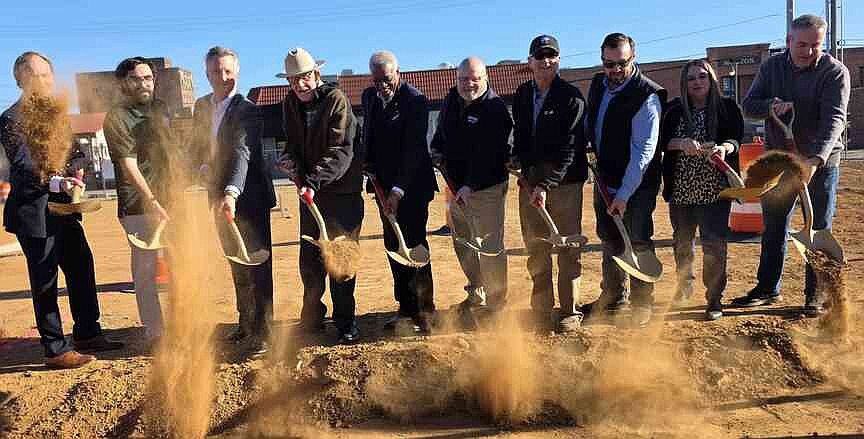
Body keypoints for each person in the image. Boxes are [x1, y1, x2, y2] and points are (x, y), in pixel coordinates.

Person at [1, 52, 123, 368]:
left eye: (46, 75)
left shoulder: (57, 115)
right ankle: (54, 349)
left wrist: (78, 171)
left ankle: (87, 332)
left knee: (82, 266)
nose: (42, 81)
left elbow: (76, 153)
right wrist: (56, 182)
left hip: (63, 210)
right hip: (33, 214)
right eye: (34, 76)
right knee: (45, 281)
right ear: (20, 80)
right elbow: (24, 164)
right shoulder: (11, 118)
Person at [732, 14, 850, 315]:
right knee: (774, 226)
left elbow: (834, 119)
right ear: (788, 41)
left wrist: (814, 160)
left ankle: (816, 294)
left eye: (816, 45)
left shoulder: (834, 72)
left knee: (818, 227)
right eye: (802, 44)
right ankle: (767, 288)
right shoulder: (772, 67)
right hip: (780, 162)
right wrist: (771, 105)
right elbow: (749, 105)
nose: (808, 51)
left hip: (820, 162)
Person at [273, 47, 363, 344]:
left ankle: (346, 323)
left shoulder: (336, 100)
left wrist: (313, 180)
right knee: (310, 263)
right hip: (310, 195)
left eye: (305, 77)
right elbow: (294, 144)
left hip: (341, 194)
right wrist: (290, 160)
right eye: (293, 79)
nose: (300, 84)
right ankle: (311, 319)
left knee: (340, 262)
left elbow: (341, 150)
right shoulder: (290, 104)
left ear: (316, 74)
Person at [190, 47, 276, 351]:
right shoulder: (201, 106)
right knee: (235, 262)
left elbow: (242, 152)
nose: (221, 77)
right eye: (215, 71)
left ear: (237, 72)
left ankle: (263, 332)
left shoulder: (247, 109)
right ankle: (245, 323)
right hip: (217, 198)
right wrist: (201, 167)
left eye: (227, 71)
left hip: (248, 199)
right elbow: (199, 145)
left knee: (258, 266)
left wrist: (231, 192)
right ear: (207, 73)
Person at [583, 33, 666, 328]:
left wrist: (624, 194)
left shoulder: (647, 96)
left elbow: (644, 151)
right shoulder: (598, 84)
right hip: (605, 179)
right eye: (609, 64)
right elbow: (591, 121)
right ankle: (613, 298)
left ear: (634, 57)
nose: (615, 70)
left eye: (622, 63)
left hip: (637, 185)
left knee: (638, 239)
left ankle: (643, 302)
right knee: (610, 239)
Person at [510, 35, 589, 332]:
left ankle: (569, 312)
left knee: (568, 248)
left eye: (551, 56)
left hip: (565, 185)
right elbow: (521, 136)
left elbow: (571, 148)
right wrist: (517, 160)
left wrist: (546, 184)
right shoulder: (521, 95)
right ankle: (541, 310)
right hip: (530, 184)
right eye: (539, 56)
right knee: (537, 247)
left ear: (558, 60)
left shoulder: (571, 97)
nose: (545, 61)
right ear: (530, 62)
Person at [660, 59, 743, 320]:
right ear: (684, 83)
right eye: (691, 78)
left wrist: (724, 149)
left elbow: (735, 139)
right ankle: (684, 286)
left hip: (715, 191)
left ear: (711, 80)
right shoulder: (673, 110)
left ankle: (714, 297)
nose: (697, 82)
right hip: (681, 190)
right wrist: (681, 142)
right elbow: (662, 142)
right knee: (682, 242)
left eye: (702, 77)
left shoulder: (727, 108)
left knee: (714, 245)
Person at [362, 50, 437, 334]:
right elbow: (367, 131)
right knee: (394, 246)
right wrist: (366, 164)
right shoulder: (370, 97)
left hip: (413, 187)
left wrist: (398, 190)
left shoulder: (414, 100)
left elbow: (414, 149)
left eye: (387, 78)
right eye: (376, 79)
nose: (382, 84)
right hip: (382, 187)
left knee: (415, 245)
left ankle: (426, 310)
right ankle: (406, 309)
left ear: (398, 72)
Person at [430, 56, 512, 313]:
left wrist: (471, 185)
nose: (469, 84)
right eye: (464, 79)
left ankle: (496, 303)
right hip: (455, 187)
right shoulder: (451, 100)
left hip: (486, 188)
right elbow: (441, 132)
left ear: (485, 78)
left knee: (489, 247)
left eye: (475, 78)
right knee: (462, 241)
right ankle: (476, 293)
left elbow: (494, 154)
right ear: (456, 79)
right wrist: (436, 150)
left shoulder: (495, 108)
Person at [103, 57, 171, 344]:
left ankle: (184, 323)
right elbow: (128, 165)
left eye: (148, 78)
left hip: (171, 200)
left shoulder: (160, 108)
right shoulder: (117, 117)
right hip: (138, 205)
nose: (144, 84)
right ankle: (156, 333)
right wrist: (152, 199)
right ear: (124, 83)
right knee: (146, 271)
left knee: (180, 265)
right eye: (136, 79)